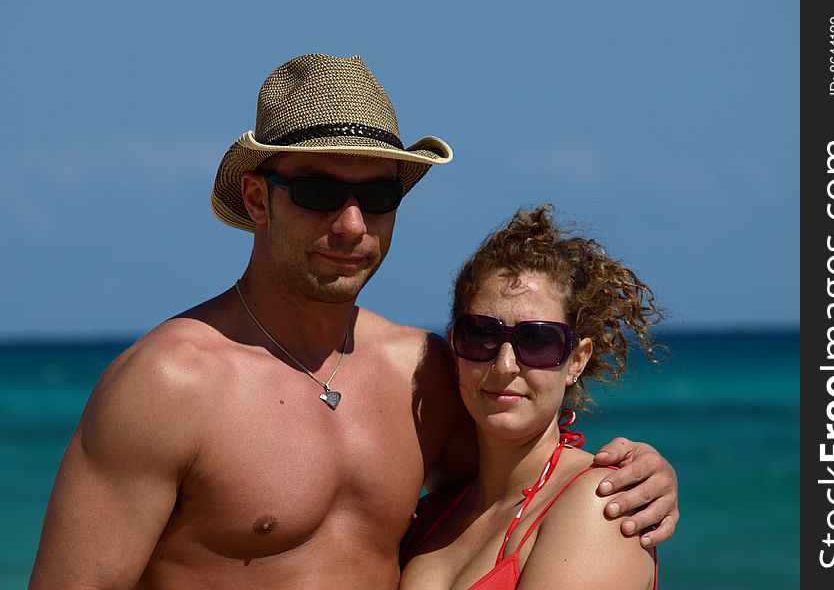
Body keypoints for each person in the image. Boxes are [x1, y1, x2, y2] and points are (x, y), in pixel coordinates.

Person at [29, 54, 678, 589]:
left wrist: (640, 472)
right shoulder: (168, 385)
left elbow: (516, 472)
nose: (349, 225)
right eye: (316, 192)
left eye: (376, 196)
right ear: (258, 198)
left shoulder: (420, 374)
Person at [399, 205, 664, 589]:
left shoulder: (599, 502)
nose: (504, 365)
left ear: (577, 361)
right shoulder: (431, 514)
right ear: (455, 347)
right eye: (480, 336)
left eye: (537, 340)